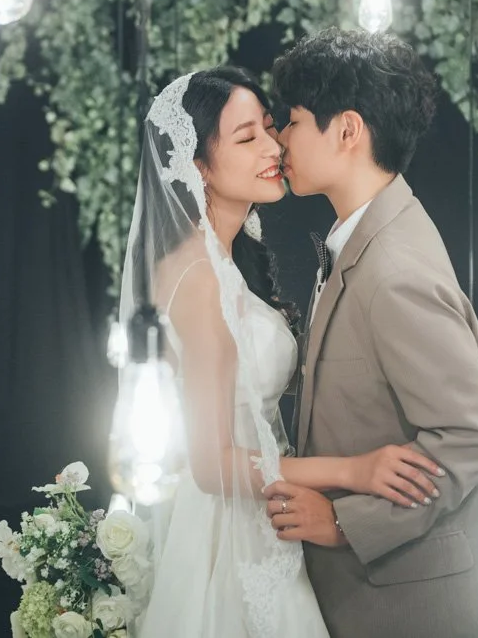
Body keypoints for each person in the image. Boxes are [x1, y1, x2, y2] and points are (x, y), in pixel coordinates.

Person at [122, 66, 442, 638]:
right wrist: (356, 471)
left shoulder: (225, 262)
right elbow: (211, 464)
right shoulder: (198, 278)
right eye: (247, 138)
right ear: (198, 165)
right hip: (228, 536)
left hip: (262, 516)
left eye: (271, 128)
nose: (274, 147)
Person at [264, 29, 478, 638]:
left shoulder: (394, 271)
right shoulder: (370, 234)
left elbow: (470, 436)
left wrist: (344, 523)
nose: (279, 138)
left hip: (416, 606)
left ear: (347, 130)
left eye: (293, 121)